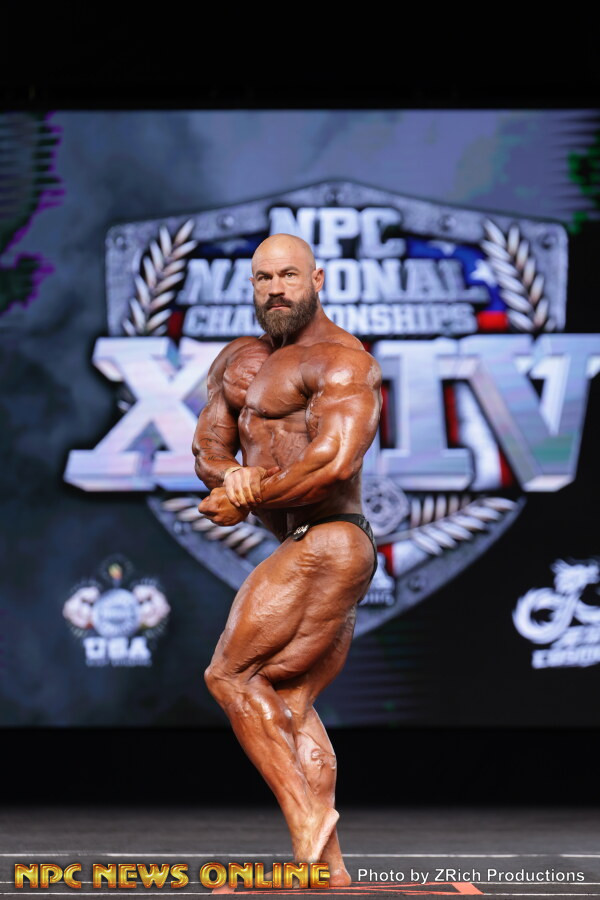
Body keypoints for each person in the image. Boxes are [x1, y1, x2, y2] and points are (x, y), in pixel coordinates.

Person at [192, 233, 382, 889]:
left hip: (332, 537)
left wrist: (251, 493)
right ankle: (326, 871)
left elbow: (334, 462)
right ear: (252, 285)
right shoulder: (238, 360)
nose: (276, 289)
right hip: (306, 540)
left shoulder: (343, 361)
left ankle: (308, 826)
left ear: (317, 279)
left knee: (230, 675)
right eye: (264, 278)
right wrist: (232, 477)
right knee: (289, 701)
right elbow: (208, 448)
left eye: (289, 276)